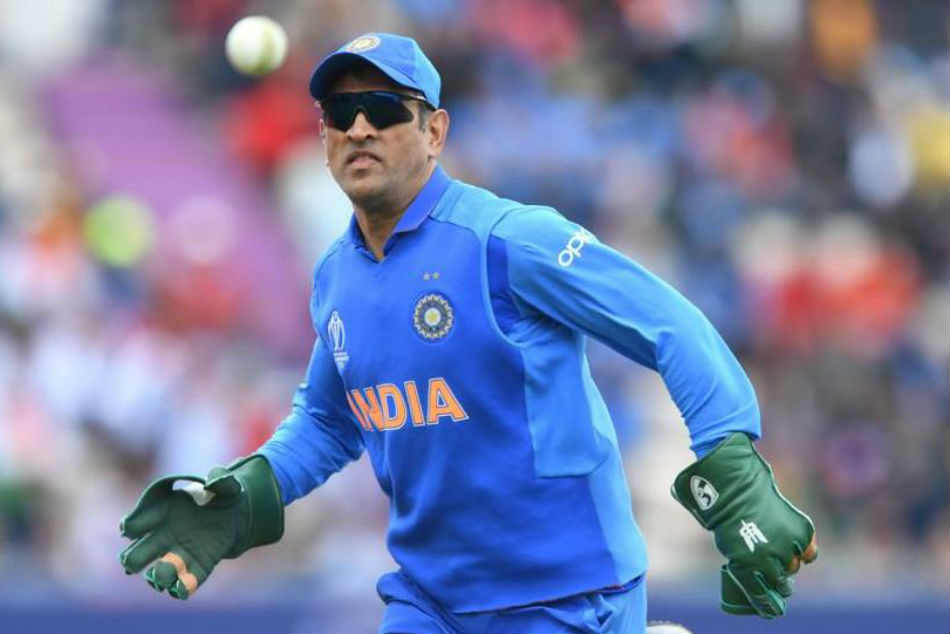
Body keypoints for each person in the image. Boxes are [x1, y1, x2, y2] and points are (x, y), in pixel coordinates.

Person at [118, 33, 818, 634]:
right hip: (431, 600)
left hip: (567, 595)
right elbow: (329, 421)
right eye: (339, 113)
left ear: (434, 132)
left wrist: (733, 469)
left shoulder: (507, 240)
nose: (359, 128)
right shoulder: (335, 275)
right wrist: (249, 491)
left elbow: (668, 323)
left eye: (383, 108)